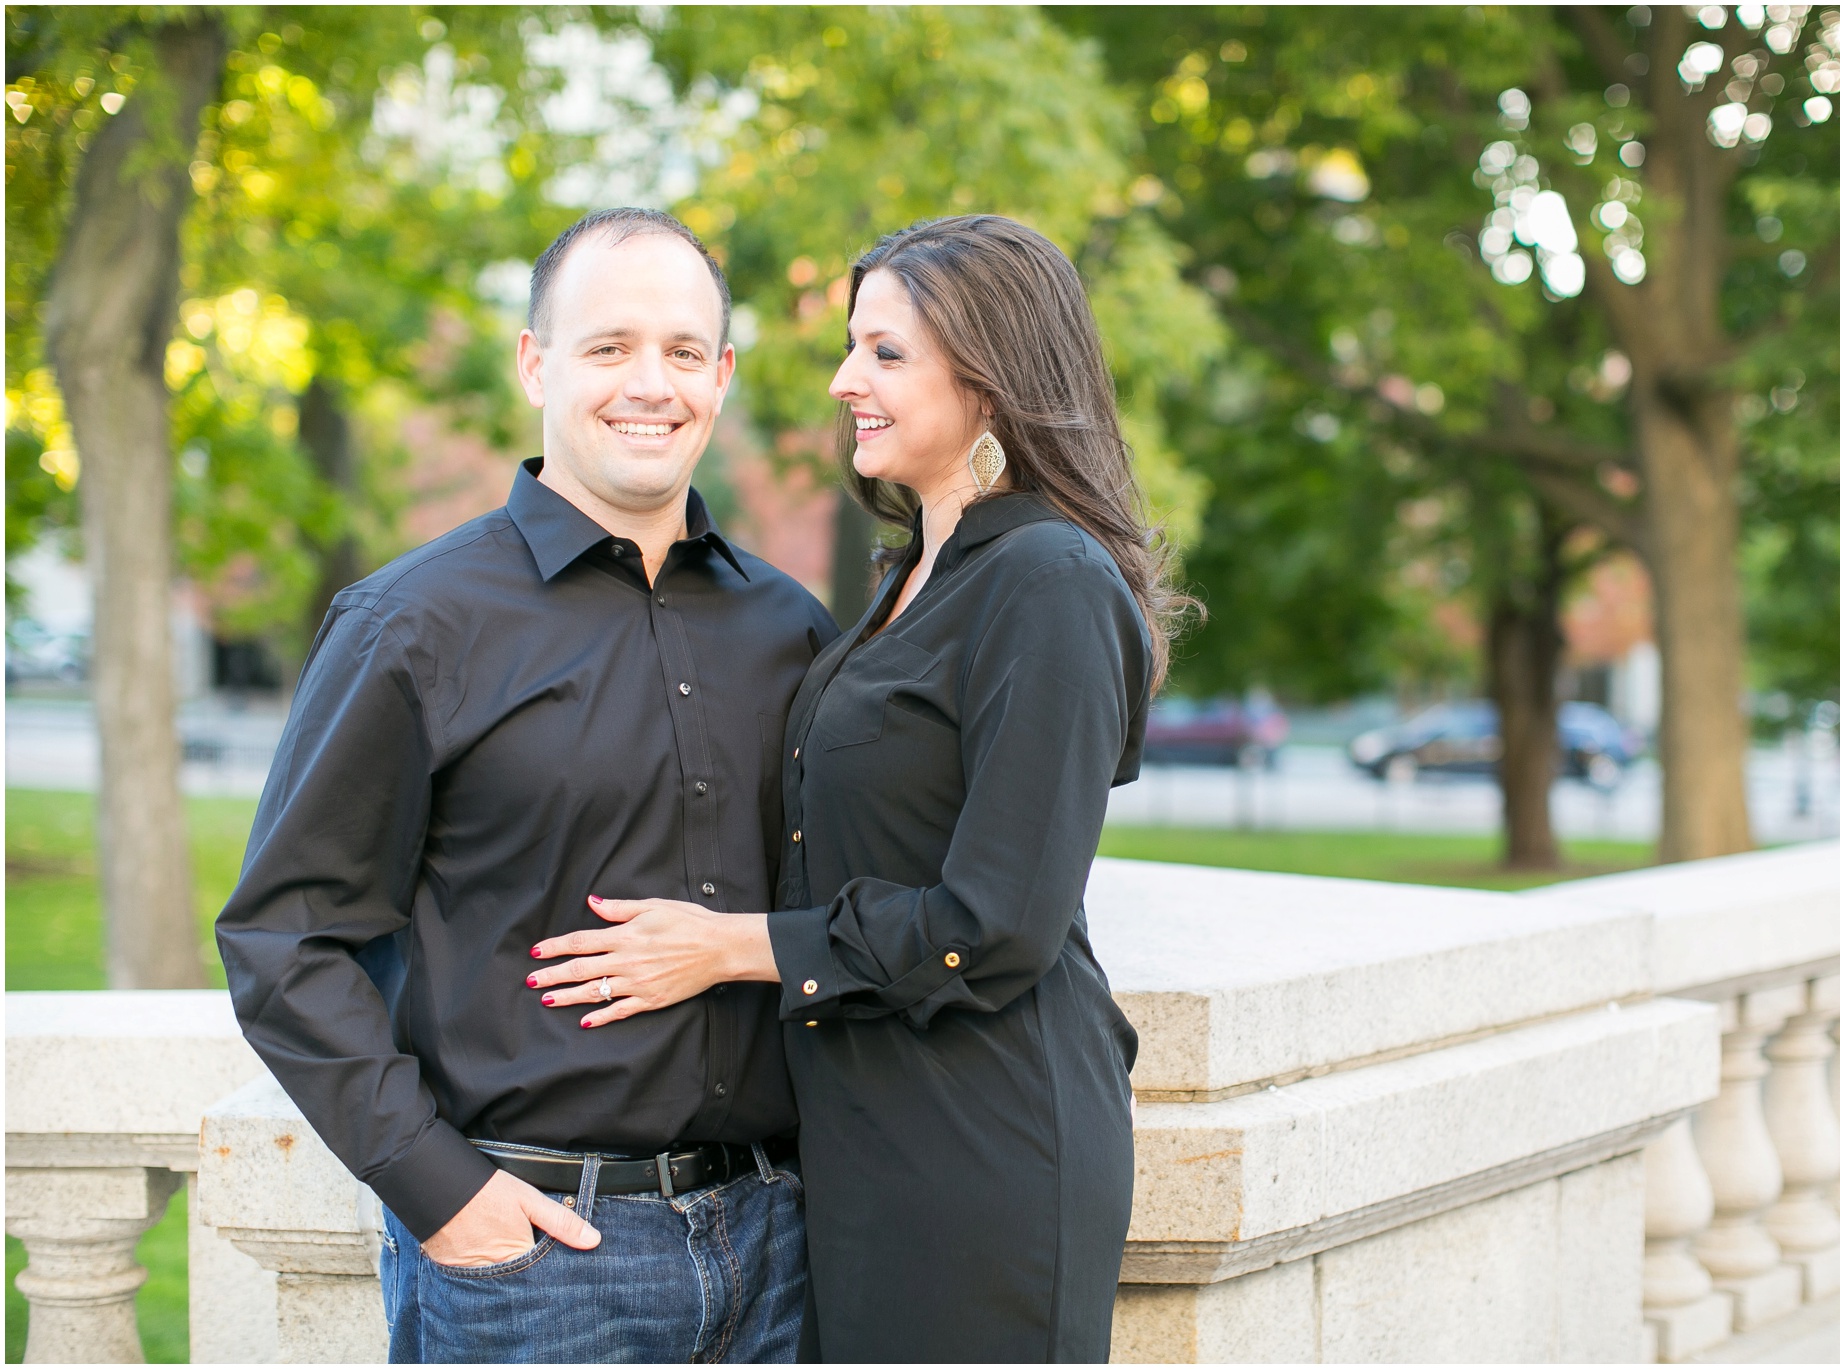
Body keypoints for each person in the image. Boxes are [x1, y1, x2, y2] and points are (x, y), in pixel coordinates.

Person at [524, 214, 1179, 1361]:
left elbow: (998, 921)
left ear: (989, 378)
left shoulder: (1049, 581)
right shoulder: (907, 578)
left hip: (985, 1145)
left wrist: (731, 946)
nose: (842, 381)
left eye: (884, 353)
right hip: (860, 1133)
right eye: (850, 346)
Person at [217, 207, 838, 1364]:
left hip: (781, 1250)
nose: (649, 383)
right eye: (608, 347)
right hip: (538, 1267)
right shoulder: (412, 625)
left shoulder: (790, 631)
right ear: (534, 362)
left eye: (683, 352)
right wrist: (442, 1192)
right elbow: (283, 939)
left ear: (723, 376)